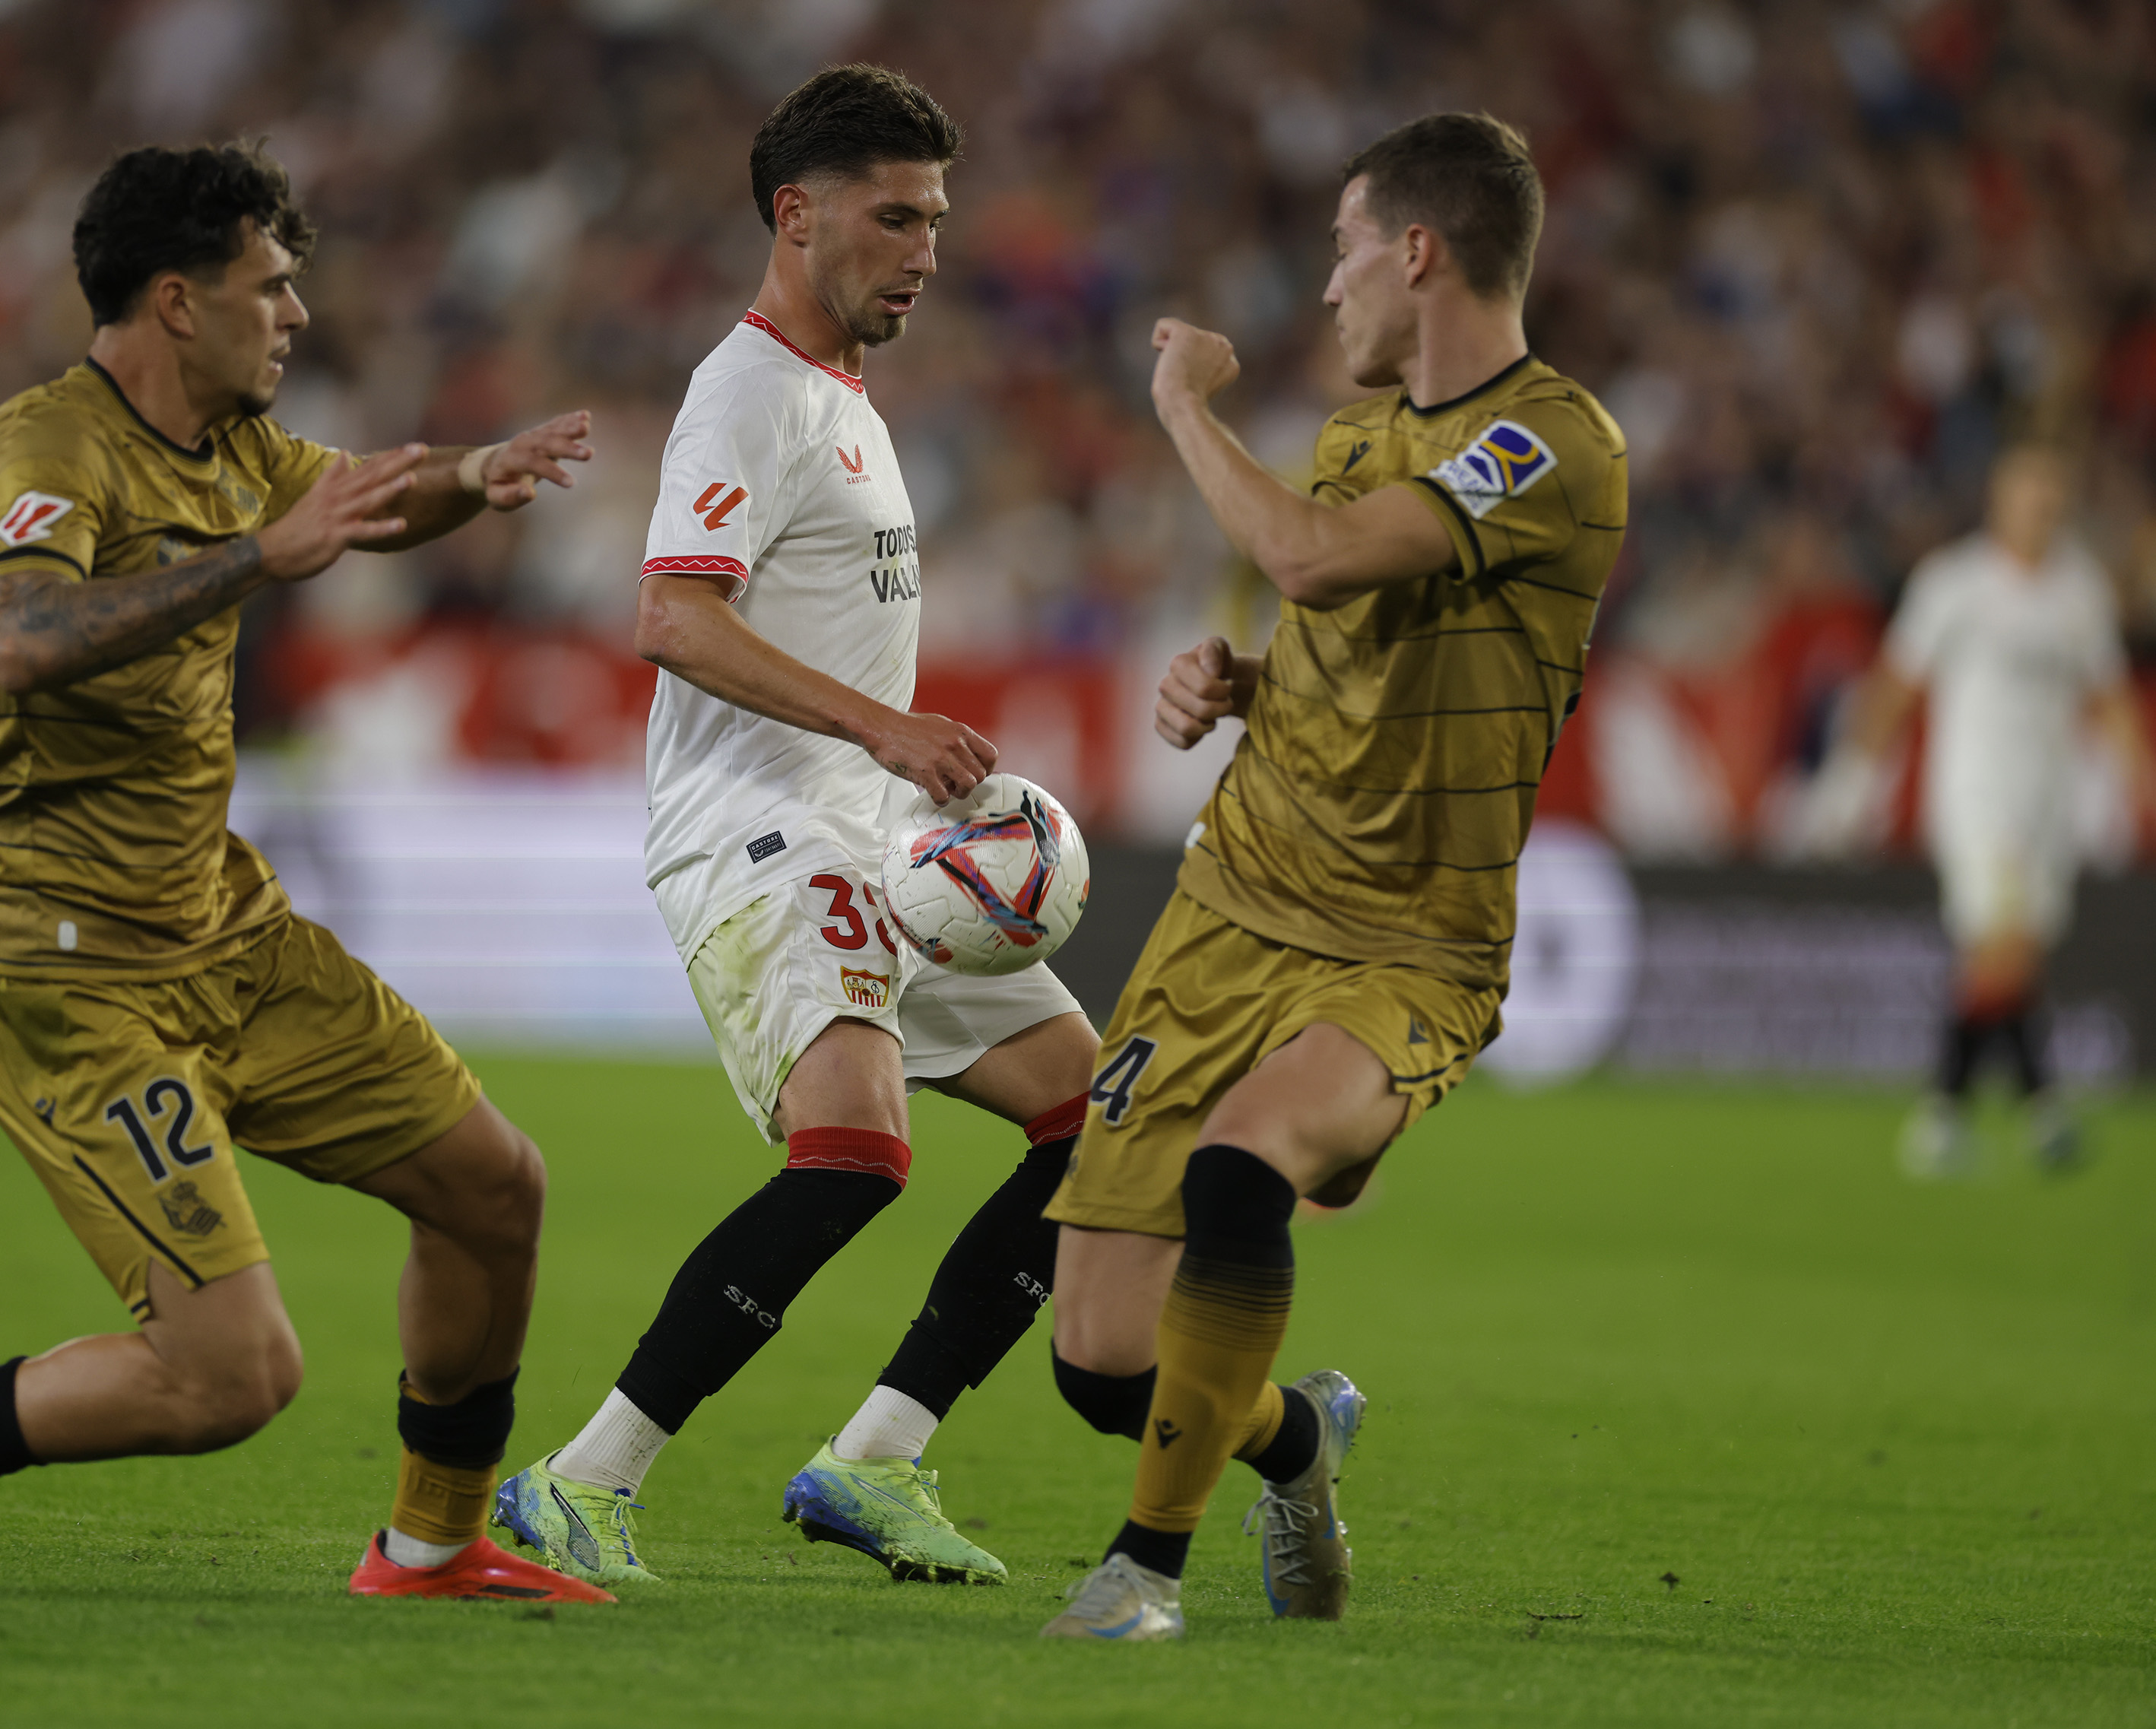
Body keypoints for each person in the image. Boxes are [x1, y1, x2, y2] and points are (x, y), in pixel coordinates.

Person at [0, 141, 614, 1606]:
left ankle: (428, 1543)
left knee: (494, 1188)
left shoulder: (237, 448)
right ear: (175, 300)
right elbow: (26, 644)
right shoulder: (42, 452)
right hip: (69, 976)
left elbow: (365, 503)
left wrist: (473, 475)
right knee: (231, 1375)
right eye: (269, 286)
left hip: (226, 929)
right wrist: (254, 563)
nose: (294, 313)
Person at [492, 65, 1097, 1588]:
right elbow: (670, 619)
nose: (925, 249)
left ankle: (876, 1457)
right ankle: (579, 1484)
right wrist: (888, 730)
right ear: (796, 213)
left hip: (877, 839)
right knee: (851, 1153)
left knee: (1103, 1125)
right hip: (760, 830)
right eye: (894, 218)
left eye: (936, 220)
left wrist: (902, 776)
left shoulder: (842, 401)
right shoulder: (749, 391)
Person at [1037, 113, 1628, 1640]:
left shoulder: (1551, 442)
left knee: (1244, 1167)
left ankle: (1139, 1579)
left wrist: (1178, 402)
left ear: (1415, 251)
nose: (1325, 290)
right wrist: (1238, 687)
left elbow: (1307, 560)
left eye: (1341, 249)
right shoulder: (1358, 443)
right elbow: (1330, 622)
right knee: (1100, 1359)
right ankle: (1298, 1445)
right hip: (1229, 905)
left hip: (1405, 944)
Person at [1815, 443, 2154, 1175]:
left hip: (2048, 802)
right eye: (2033, 495)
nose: (2045, 509)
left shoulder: (2079, 592)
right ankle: (1957, 1115)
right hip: (1977, 793)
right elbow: (1896, 685)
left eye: (2054, 497)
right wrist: (1853, 778)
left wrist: (2138, 774)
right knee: (2001, 944)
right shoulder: (1955, 585)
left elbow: (2108, 695)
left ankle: (2019, 1111)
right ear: (2001, 501)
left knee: (2014, 956)